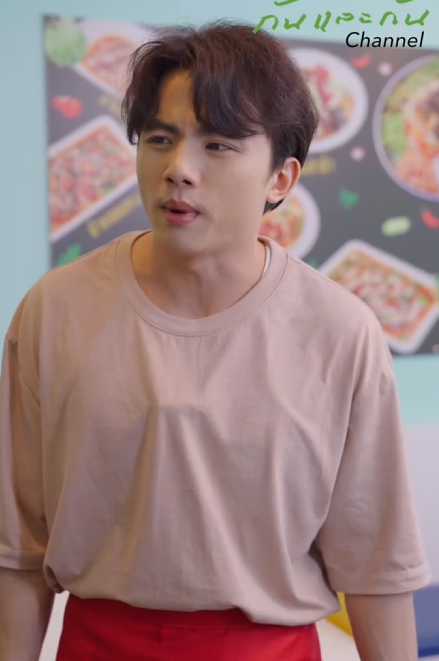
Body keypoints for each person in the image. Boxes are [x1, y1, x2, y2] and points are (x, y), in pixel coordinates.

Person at [0, 20, 431, 661]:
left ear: (281, 179)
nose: (178, 168)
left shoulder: (340, 330)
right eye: (160, 138)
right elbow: (17, 552)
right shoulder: (54, 310)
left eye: (219, 144)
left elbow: (377, 570)